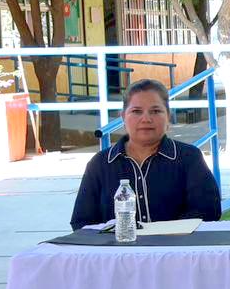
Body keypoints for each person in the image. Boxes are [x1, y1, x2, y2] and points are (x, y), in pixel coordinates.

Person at [70, 78, 221, 230]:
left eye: (155, 111)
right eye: (136, 111)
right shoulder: (101, 163)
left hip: (177, 244)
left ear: (168, 116)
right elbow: (82, 221)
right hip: (117, 245)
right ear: (123, 117)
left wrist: (159, 234)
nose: (146, 119)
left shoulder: (189, 158)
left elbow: (208, 211)